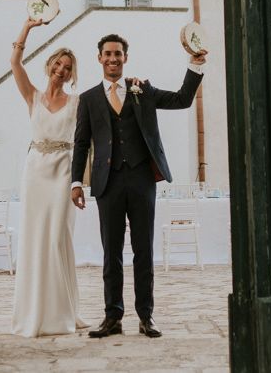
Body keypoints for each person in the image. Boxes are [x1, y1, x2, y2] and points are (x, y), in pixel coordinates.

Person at [71, 33, 207, 339]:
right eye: (107, 54)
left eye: (118, 54)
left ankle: (146, 316)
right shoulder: (89, 98)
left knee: (143, 249)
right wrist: (76, 182)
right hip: (107, 182)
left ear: (125, 58)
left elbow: (182, 100)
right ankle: (113, 317)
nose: (113, 59)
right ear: (99, 58)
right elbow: (81, 143)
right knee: (112, 252)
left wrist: (195, 65)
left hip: (142, 178)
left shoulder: (141, 89)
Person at [10, 17, 87, 337]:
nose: (61, 69)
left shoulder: (77, 103)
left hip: (62, 173)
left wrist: (80, 181)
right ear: (49, 65)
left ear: (72, 74)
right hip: (34, 172)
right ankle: (34, 314)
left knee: (57, 239)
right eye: (58, 63)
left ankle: (61, 313)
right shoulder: (32, 96)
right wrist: (27, 27)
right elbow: (14, 62)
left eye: (67, 67)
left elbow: (85, 143)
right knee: (34, 240)